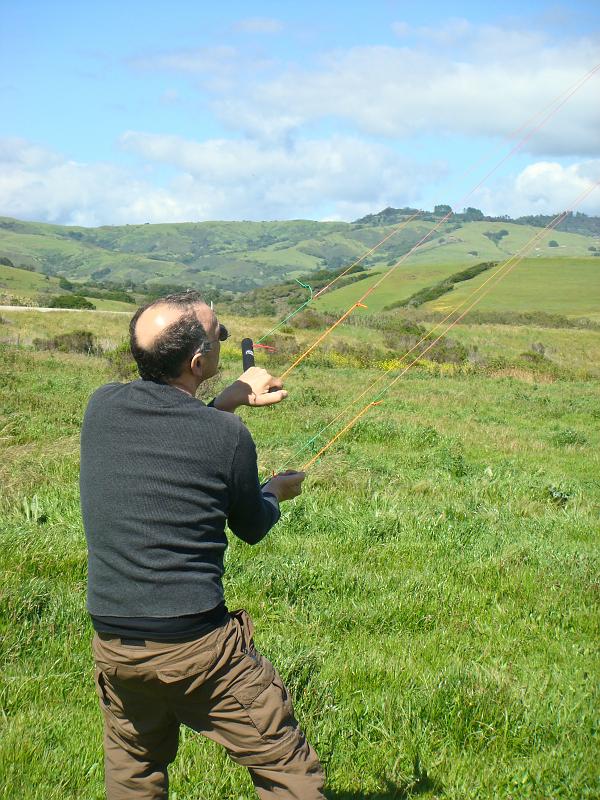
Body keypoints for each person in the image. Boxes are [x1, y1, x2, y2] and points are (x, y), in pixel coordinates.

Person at [79, 290, 325, 799]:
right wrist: (275, 491)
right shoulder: (227, 436)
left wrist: (227, 399)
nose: (226, 339)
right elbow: (252, 526)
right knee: (290, 772)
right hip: (198, 648)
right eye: (219, 336)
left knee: (134, 768)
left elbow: (175, 433)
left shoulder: (101, 407)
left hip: (115, 644)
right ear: (199, 361)